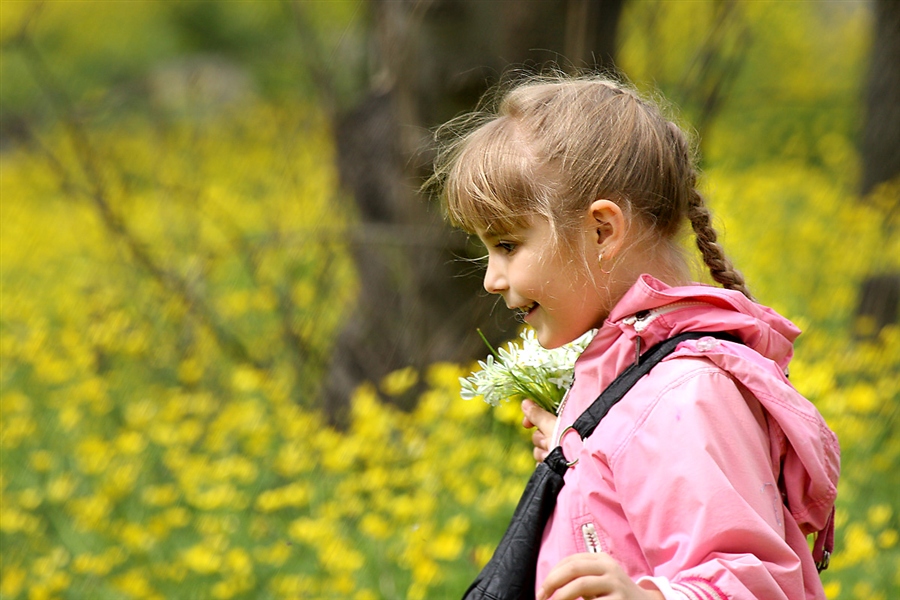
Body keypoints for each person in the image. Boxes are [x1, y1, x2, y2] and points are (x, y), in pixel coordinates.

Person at [429, 75, 840, 600]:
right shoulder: (633, 381)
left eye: (508, 245)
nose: (492, 278)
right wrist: (583, 451)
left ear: (602, 230)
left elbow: (755, 584)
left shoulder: (688, 394)